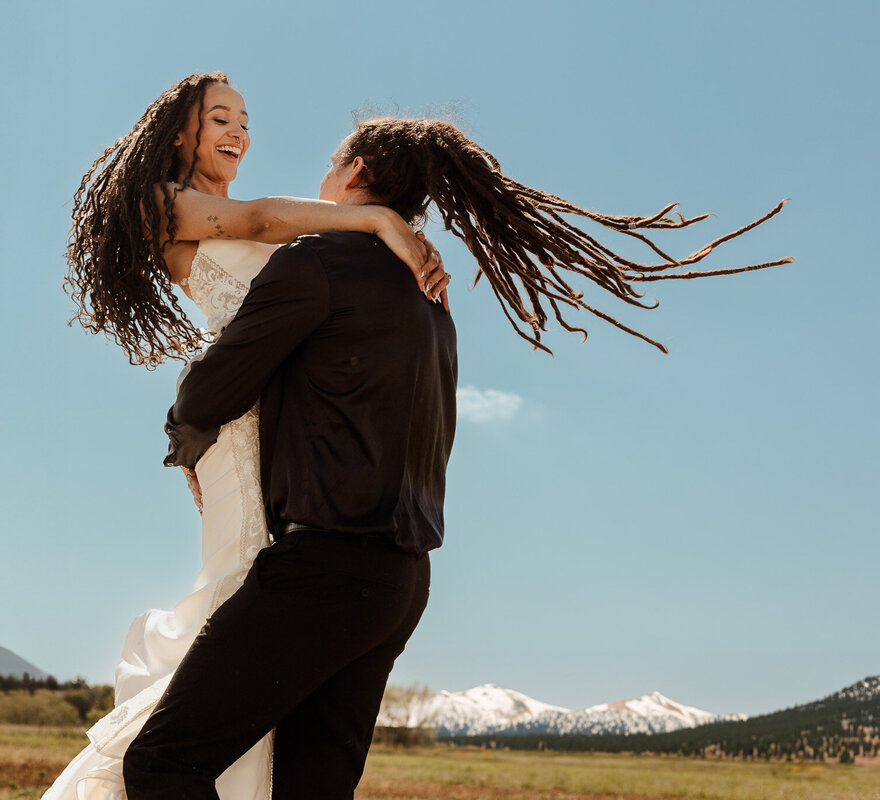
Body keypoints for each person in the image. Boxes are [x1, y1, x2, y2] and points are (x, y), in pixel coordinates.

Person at [118, 117, 791, 798]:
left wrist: (185, 437)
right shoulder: (429, 298)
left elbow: (211, 389)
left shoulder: (319, 260)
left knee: (162, 764)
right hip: (400, 585)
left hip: (323, 569)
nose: (322, 175)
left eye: (332, 162)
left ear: (357, 173)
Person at [42, 73, 445, 800]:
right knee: (244, 602)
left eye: (245, 119)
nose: (238, 130)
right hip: (240, 427)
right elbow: (260, 222)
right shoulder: (163, 202)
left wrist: (373, 231)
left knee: (272, 648)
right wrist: (379, 221)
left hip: (287, 436)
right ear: (177, 136)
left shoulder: (306, 242)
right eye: (218, 117)